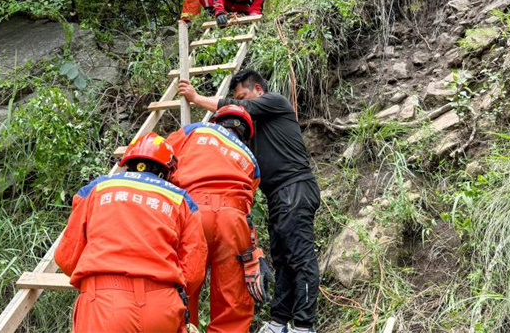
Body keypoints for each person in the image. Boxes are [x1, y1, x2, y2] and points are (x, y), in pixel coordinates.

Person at [178, 71, 320, 333]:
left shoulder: (276, 102)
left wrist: (196, 98)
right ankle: (279, 322)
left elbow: (238, 108)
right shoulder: (248, 135)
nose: (241, 105)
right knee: (282, 259)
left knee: (299, 258)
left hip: (294, 187)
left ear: (258, 90)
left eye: (243, 96)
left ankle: (303, 325)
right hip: (276, 195)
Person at [55, 132, 208, 333]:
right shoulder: (181, 199)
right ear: (168, 170)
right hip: (162, 307)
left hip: (105, 304)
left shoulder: (97, 188)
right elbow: (194, 271)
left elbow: (66, 256)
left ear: (128, 162)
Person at [165, 105, 271, 333]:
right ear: (245, 134)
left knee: (181, 286)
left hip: (191, 211)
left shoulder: (192, 131)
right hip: (234, 219)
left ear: (216, 120)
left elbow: (162, 159)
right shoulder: (250, 159)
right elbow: (248, 197)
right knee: (232, 301)